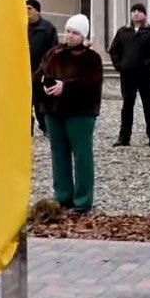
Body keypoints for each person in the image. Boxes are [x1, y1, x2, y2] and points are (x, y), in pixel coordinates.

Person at [36, 14, 103, 213]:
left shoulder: (91, 58)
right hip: (54, 110)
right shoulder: (53, 53)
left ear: (83, 36)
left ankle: (83, 200)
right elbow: (39, 74)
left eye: (75, 33)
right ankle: (63, 196)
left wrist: (66, 87)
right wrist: (44, 84)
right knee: (58, 154)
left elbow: (91, 84)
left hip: (80, 113)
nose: (70, 36)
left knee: (81, 154)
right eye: (68, 31)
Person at [107, 3, 150, 148]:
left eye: (139, 11)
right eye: (134, 11)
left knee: (149, 106)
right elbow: (114, 51)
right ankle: (124, 138)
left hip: (146, 76)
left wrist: (148, 64)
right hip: (127, 76)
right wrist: (120, 65)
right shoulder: (123, 32)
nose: (136, 13)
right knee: (127, 106)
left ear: (144, 14)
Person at [27, 0, 58, 134]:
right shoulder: (22, 26)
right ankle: (28, 128)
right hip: (24, 73)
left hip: (41, 73)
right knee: (26, 103)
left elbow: (53, 51)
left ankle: (46, 127)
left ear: (37, 11)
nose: (26, 11)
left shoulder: (48, 28)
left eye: (29, 8)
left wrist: (45, 70)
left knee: (42, 102)